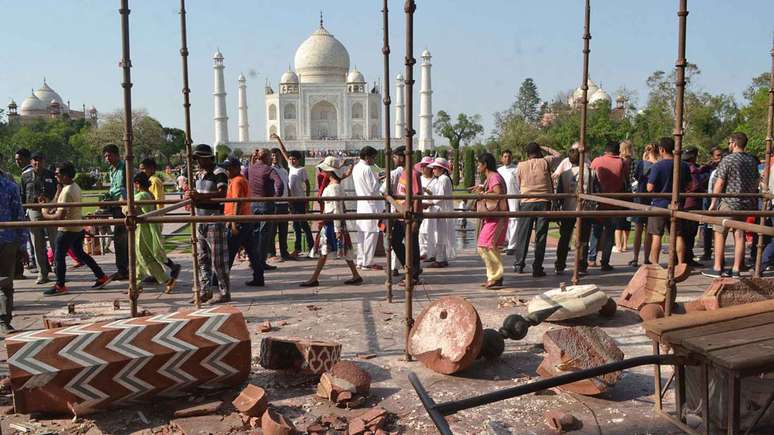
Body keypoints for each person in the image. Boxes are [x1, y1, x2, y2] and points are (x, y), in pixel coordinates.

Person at [42, 162, 110, 296]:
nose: (56, 176)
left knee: (59, 257)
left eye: (58, 174)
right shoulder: (74, 187)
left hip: (67, 229)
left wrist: (44, 213)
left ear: (65, 175)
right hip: (77, 227)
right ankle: (101, 276)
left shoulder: (67, 191)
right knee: (80, 254)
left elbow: (60, 216)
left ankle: (60, 285)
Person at [706, 133, 760, 278]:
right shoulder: (751, 160)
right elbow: (756, 182)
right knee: (739, 234)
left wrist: (713, 202)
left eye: (730, 142)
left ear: (734, 143)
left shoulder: (728, 160)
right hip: (745, 203)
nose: (729, 145)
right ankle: (736, 268)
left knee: (719, 233)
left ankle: (717, 267)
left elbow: (720, 182)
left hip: (728, 202)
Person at [301, 161, 362, 287]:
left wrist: (337, 228)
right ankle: (355, 275)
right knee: (342, 249)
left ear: (329, 171)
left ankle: (314, 278)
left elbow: (337, 207)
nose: (322, 171)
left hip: (332, 222)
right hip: (334, 221)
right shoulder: (336, 185)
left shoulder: (333, 187)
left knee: (325, 250)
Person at [191, 144, 231, 303]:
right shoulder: (199, 174)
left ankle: (225, 292)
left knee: (218, 259)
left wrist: (200, 196)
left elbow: (223, 193)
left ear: (208, 158)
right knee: (203, 257)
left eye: (200, 158)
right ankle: (206, 289)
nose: (198, 162)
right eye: (197, 159)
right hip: (200, 219)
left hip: (214, 219)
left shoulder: (218, 173)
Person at [513, 142, 557, 277]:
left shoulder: (520, 165)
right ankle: (537, 267)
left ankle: (519, 264)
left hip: (526, 201)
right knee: (541, 236)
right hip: (543, 201)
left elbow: (518, 183)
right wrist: (545, 146)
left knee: (523, 235)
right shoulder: (545, 162)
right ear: (538, 152)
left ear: (527, 154)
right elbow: (558, 155)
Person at [646, 137, 691, 266]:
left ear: (662, 149)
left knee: (656, 235)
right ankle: (681, 264)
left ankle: (655, 264)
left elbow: (649, 188)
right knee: (678, 235)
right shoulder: (683, 165)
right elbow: (689, 185)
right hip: (676, 204)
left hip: (659, 204)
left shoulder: (657, 166)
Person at [222, 157, 264, 287]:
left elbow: (237, 202)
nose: (226, 171)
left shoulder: (237, 181)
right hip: (246, 219)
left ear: (235, 168)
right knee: (252, 251)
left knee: (229, 251)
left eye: (228, 168)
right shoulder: (240, 180)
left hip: (239, 221)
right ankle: (258, 277)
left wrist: (233, 222)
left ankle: (219, 279)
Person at [131, 172, 176, 293]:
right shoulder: (149, 194)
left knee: (146, 259)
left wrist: (123, 206)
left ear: (137, 184)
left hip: (143, 232)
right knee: (139, 259)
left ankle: (167, 280)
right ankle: (136, 284)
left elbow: (131, 211)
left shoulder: (140, 196)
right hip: (146, 229)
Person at [139, 158, 181, 280]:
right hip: (150, 217)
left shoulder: (154, 181)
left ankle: (172, 266)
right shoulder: (147, 181)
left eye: (143, 169)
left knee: (154, 247)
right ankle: (154, 272)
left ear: (151, 168)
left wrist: (154, 217)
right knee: (148, 247)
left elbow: (157, 201)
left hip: (153, 218)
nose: (142, 171)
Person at [20, 152, 57, 284]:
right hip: (34, 210)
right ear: (31, 162)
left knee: (54, 242)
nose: (37, 163)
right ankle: (43, 273)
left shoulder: (50, 175)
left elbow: (57, 190)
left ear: (44, 161)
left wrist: (52, 203)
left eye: (40, 160)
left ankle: (59, 271)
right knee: (38, 243)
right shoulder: (25, 176)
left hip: (50, 209)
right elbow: (23, 195)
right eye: (34, 161)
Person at [590, 140, 627, 271]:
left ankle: (591, 258)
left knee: (595, 231)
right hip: (614, 202)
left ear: (606, 150)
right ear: (617, 151)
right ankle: (605, 261)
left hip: (598, 202)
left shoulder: (596, 161)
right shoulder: (622, 162)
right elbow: (625, 181)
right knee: (609, 233)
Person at [387, 146, 422, 285]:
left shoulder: (412, 174)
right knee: (395, 241)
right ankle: (411, 270)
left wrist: (415, 219)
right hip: (403, 214)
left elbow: (417, 196)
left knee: (412, 245)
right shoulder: (404, 173)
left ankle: (413, 275)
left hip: (411, 215)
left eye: (395, 157)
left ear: (402, 157)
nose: (393, 160)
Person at [555, 148, 593, 274]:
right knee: (583, 239)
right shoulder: (589, 172)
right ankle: (581, 265)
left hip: (568, 209)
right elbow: (595, 190)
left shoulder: (564, 174)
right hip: (585, 209)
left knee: (565, 237)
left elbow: (559, 194)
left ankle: (560, 264)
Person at [473, 153, 508, 288]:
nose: (477, 166)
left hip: (497, 216)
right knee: (488, 246)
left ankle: (496, 276)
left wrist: (484, 194)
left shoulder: (494, 177)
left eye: (478, 163)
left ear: (485, 165)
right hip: (493, 216)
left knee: (486, 245)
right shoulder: (491, 177)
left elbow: (498, 193)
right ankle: (493, 276)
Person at [248, 148, 284, 274]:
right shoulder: (268, 169)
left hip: (253, 205)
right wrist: (276, 197)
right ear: (266, 157)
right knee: (264, 236)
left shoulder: (251, 168)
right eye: (270, 157)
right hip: (266, 205)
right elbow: (279, 185)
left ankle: (253, 261)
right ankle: (260, 263)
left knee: (255, 234)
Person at [0, 162, 25, 333]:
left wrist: (22, 244)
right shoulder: (10, 185)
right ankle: (4, 320)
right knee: (5, 282)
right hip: (8, 239)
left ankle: (3, 320)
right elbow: (20, 215)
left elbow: (19, 214)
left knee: (5, 282)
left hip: (7, 240)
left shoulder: (10, 186)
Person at [351, 146, 383, 270]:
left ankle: (360, 261)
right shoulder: (367, 169)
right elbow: (373, 190)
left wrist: (376, 179)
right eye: (373, 157)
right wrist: (381, 182)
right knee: (371, 235)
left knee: (361, 235)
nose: (374, 160)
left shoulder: (357, 167)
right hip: (371, 205)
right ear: (367, 157)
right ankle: (367, 262)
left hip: (362, 204)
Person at [102, 144, 129, 280]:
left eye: (109, 155)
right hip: (115, 205)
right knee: (120, 238)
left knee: (121, 238)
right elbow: (114, 188)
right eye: (105, 156)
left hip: (124, 206)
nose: (107, 158)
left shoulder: (124, 167)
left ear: (116, 154)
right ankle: (124, 268)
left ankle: (123, 269)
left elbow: (124, 188)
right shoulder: (111, 170)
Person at [630, 143, 659, 267]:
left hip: (640, 197)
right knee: (648, 231)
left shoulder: (641, 164)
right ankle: (646, 258)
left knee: (638, 230)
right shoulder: (658, 164)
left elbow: (636, 176)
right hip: (651, 198)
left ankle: (636, 257)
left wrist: (644, 159)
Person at [427, 157, 455, 268]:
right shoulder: (442, 179)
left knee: (440, 235)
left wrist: (430, 203)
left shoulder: (443, 179)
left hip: (442, 210)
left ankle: (440, 259)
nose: (433, 171)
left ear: (441, 169)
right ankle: (441, 258)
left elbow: (440, 196)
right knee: (441, 235)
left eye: (435, 168)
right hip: (441, 209)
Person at [698, 147, 723, 261]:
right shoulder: (706, 169)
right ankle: (707, 252)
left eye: (721, 155)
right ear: (712, 157)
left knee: (720, 227)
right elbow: (700, 181)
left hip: (721, 199)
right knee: (707, 226)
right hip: (708, 197)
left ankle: (719, 255)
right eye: (717, 155)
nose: (720, 158)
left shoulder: (726, 166)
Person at [680, 147, 704, 267]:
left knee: (685, 233)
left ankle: (686, 257)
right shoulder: (692, 169)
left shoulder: (681, 166)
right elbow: (694, 186)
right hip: (691, 203)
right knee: (689, 233)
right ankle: (687, 258)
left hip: (686, 202)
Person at [268, 148, 293, 261]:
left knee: (283, 230)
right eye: (272, 155)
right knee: (272, 230)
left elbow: (287, 186)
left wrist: (290, 199)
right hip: (275, 203)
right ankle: (271, 253)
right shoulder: (269, 169)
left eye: (276, 155)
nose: (275, 157)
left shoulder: (283, 170)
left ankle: (284, 252)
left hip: (284, 203)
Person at [14, 148, 32, 279]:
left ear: (26, 159)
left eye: (19, 159)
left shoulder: (26, 174)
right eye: (16, 159)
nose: (17, 162)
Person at [497, 149, 519, 256]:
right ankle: (505, 242)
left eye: (509, 156)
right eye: (505, 156)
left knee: (514, 219)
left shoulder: (516, 169)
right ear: (501, 158)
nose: (507, 158)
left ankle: (512, 245)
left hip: (513, 196)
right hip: (502, 198)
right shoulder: (499, 170)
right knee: (504, 219)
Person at [614, 140, 634, 254]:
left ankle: (618, 245)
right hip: (630, 192)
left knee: (618, 220)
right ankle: (625, 244)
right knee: (627, 220)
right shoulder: (633, 162)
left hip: (620, 191)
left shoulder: (619, 161)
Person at [417, 156, 437, 262]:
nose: (424, 168)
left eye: (426, 166)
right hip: (420, 207)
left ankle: (431, 253)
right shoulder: (419, 179)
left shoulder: (436, 181)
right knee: (420, 231)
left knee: (431, 232)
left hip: (431, 208)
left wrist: (429, 194)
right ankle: (422, 252)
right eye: (422, 166)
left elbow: (438, 195)